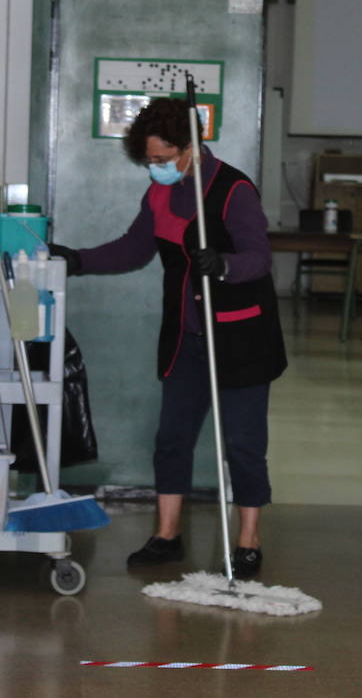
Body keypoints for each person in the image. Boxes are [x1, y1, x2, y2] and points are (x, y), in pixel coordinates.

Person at [50, 97, 286, 578]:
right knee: (172, 439)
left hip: (240, 337)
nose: (155, 169)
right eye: (149, 162)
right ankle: (167, 535)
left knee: (243, 443)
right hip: (186, 336)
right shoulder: (160, 194)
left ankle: (248, 540)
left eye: (162, 159)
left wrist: (223, 265)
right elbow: (134, 249)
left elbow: (259, 257)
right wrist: (77, 260)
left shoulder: (233, 189)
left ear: (190, 148)